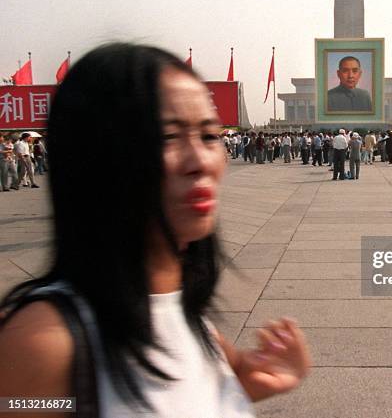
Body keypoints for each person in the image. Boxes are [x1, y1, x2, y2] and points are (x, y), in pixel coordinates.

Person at [0, 43, 310, 417]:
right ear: (95, 156)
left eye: (209, 135)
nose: (201, 162)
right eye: (167, 137)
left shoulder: (195, 323)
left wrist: (256, 380)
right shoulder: (42, 344)